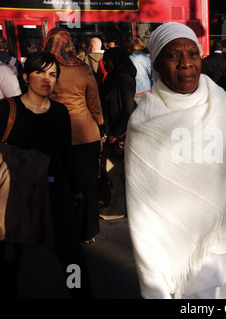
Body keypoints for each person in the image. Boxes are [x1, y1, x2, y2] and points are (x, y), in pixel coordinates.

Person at [124, 22, 226, 299]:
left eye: (192, 54)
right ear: (157, 63)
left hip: (224, 242)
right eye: (173, 55)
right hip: (179, 253)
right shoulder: (144, 123)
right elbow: (143, 211)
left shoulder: (222, 102)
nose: (186, 63)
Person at [0, 51, 94, 299]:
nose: (46, 79)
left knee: (70, 251)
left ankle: (80, 294)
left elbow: (65, 152)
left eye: (52, 74)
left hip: (54, 187)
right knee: (9, 254)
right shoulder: (6, 109)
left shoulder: (60, 112)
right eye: (40, 72)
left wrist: (74, 188)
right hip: (16, 191)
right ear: (25, 76)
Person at [45, 27, 104, 245]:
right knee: (87, 184)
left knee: (60, 183)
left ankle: (61, 229)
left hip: (54, 137)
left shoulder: (43, 69)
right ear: (68, 43)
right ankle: (87, 232)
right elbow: (94, 105)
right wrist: (100, 126)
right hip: (85, 135)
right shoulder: (82, 69)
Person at [99, 47, 136, 220]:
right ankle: (112, 207)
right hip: (111, 132)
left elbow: (128, 110)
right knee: (112, 172)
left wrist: (115, 133)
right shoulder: (112, 79)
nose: (104, 63)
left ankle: (117, 209)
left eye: (107, 60)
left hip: (119, 135)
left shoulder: (124, 80)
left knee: (117, 172)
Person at [127, 37, 152, 105]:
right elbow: (151, 73)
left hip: (136, 90)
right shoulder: (146, 58)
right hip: (147, 88)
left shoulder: (128, 59)